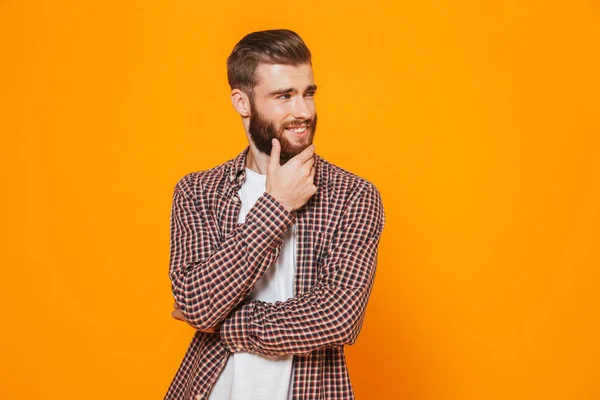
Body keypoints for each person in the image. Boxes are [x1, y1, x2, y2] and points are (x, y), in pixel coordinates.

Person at [165, 29, 385, 400]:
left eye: (308, 93)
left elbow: (338, 317)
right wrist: (277, 206)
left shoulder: (353, 196)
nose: (303, 111)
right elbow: (197, 303)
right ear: (242, 102)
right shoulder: (197, 191)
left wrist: (226, 324)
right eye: (284, 96)